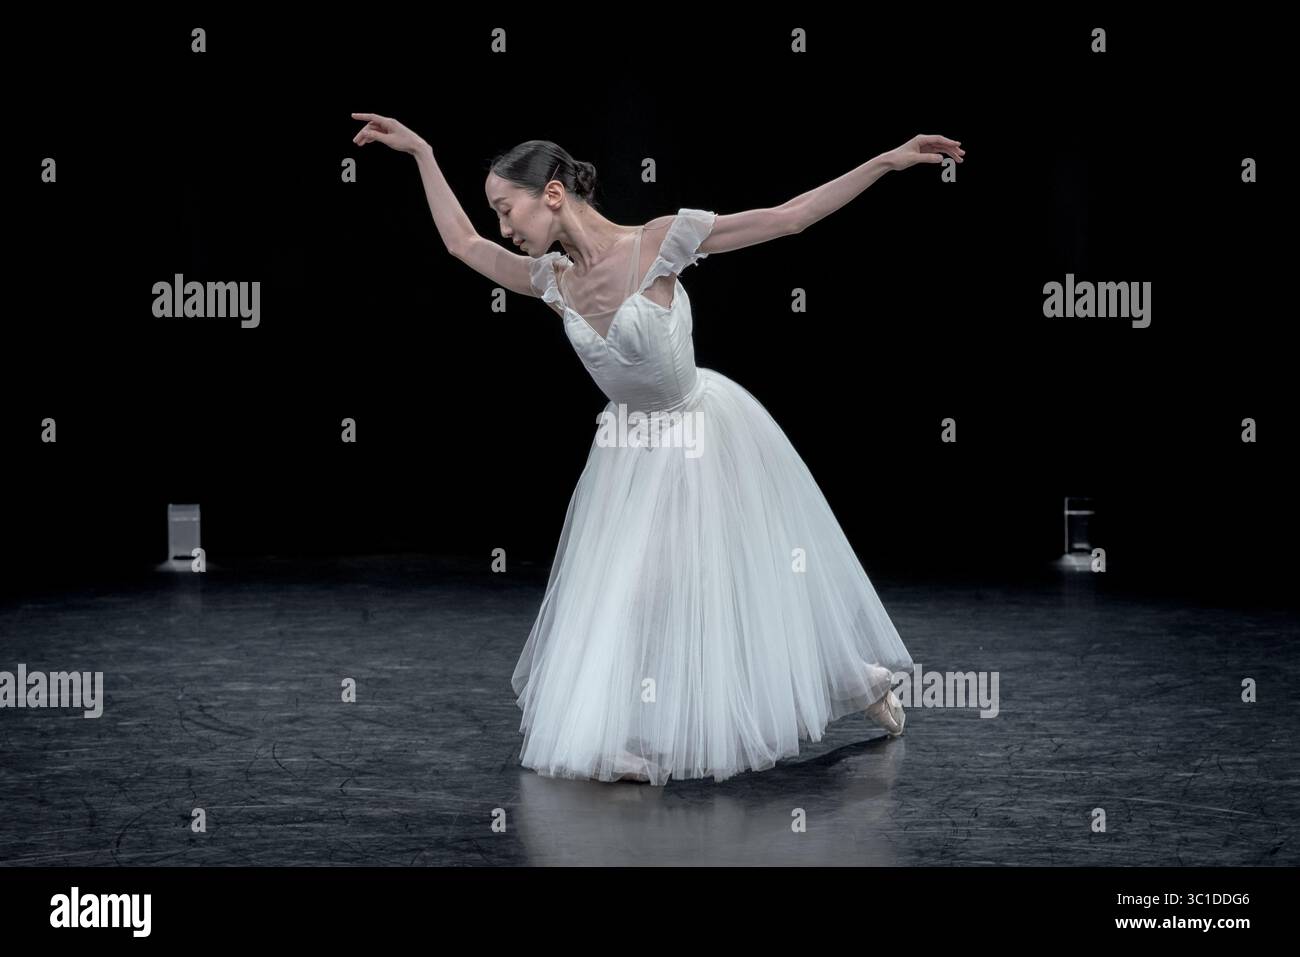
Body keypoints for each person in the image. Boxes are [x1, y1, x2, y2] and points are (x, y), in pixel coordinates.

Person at [351, 113, 964, 785]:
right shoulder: (551, 279)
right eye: (498, 213)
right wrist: (422, 152)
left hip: (707, 437)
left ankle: (852, 676)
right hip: (631, 453)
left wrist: (885, 160)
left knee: (727, 582)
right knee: (638, 594)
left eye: (507, 208)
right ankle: (637, 732)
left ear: (552, 193)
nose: (504, 226)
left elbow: (789, 217)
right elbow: (464, 244)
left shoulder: (660, 241)